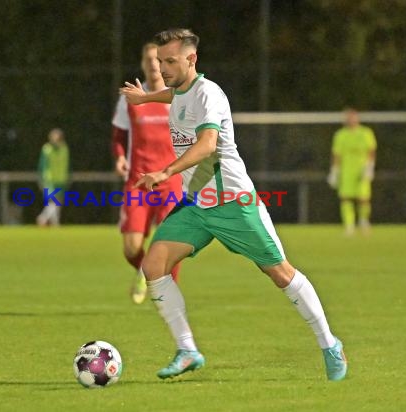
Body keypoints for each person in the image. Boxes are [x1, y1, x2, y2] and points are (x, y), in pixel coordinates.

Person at [120, 28, 347, 381]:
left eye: (170, 61)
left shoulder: (209, 94)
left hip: (233, 203)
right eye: (160, 61)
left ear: (191, 59)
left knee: (280, 273)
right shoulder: (180, 90)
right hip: (197, 206)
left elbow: (208, 144)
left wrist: (165, 171)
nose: (162, 68)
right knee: (154, 265)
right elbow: (173, 95)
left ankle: (330, 343)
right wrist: (144, 99)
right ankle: (187, 349)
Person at [112, 43, 183, 304]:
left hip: (169, 181)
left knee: (167, 242)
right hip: (138, 183)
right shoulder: (129, 96)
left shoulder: (176, 95)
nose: (154, 64)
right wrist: (120, 156)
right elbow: (118, 135)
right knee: (131, 248)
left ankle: (168, 293)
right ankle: (146, 272)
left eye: (159, 60)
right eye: (149, 59)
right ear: (142, 63)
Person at [327, 108, 377, 235]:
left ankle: (363, 220)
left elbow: (371, 151)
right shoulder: (340, 135)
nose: (351, 120)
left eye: (353, 117)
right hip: (346, 171)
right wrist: (334, 171)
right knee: (345, 198)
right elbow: (336, 154)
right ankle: (349, 225)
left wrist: (370, 167)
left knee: (363, 198)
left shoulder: (366, 133)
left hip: (362, 170)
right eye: (348, 118)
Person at [36, 128, 69, 226]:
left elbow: (67, 165)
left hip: (61, 179)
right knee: (54, 202)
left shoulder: (64, 149)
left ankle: (52, 221)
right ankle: (44, 218)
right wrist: (41, 180)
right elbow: (41, 166)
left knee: (57, 203)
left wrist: (68, 177)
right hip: (49, 180)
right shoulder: (47, 149)